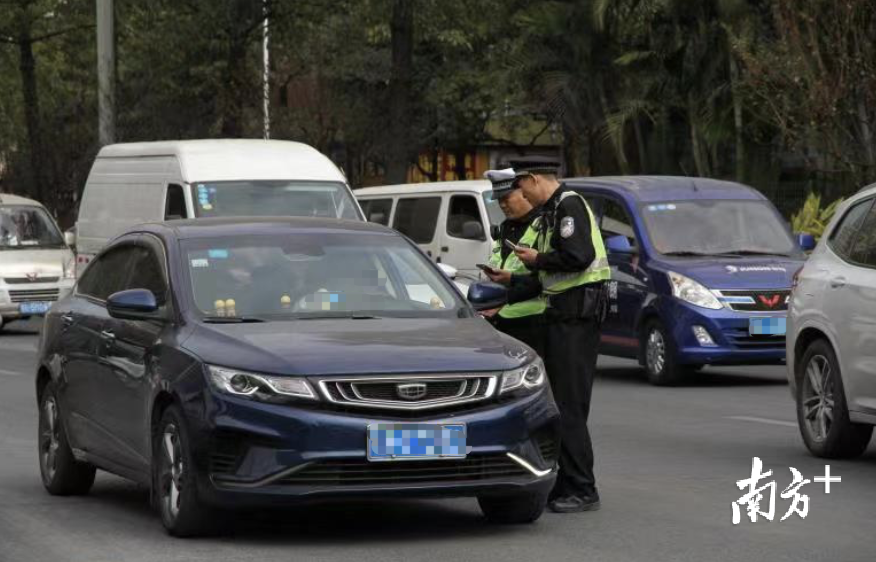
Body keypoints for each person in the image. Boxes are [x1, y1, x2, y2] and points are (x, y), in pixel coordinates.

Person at [484, 156, 610, 513]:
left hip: (577, 317)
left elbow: (579, 256)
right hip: (563, 316)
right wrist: (517, 279)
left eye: (521, 185)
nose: (519, 193)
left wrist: (536, 259)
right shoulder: (555, 210)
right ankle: (567, 484)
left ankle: (584, 489)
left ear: (534, 179)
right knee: (561, 406)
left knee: (569, 407)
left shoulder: (569, 205)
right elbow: (552, 273)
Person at [481, 167, 545, 356]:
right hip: (502, 317)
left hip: (533, 320)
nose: (502, 205)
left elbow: (544, 278)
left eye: (506, 198)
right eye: (499, 200)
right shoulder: (506, 226)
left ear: (524, 192)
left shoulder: (544, 225)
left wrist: (509, 284)